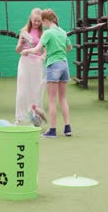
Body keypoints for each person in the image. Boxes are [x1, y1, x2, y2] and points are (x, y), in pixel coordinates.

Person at [21, 9, 72, 137]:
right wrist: (55, 52)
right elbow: (69, 48)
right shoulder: (63, 32)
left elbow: (37, 49)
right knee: (63, 98)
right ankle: (67, 128)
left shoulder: (48, 33)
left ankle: (52, 130)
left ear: (45, 21)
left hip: (54, 66)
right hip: (64, 65)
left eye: (42, 22)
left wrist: (27, 51)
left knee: (52, 99)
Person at [15, 8, 46, 125]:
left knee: (36, 89)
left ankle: (36, 117)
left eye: (39, 21)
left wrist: (42, 56)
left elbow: (45, 51)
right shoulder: (24, 31)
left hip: (37, 63)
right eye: (34, 21)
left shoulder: (43, 33)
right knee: (22, 90)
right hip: (24, 62)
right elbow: (18, 50)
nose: (36, 23)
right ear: (31, 19)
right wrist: (21, 43)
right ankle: (19, 117)